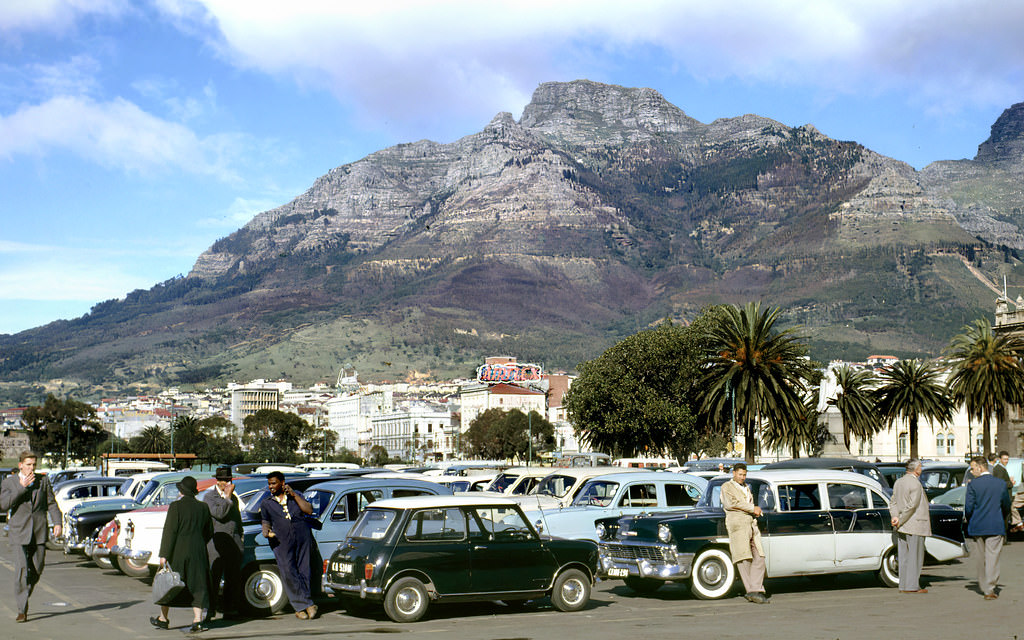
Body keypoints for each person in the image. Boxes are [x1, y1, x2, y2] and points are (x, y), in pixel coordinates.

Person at [0, 451, 62, 623]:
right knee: (21, 569)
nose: (31, 468)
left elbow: (51, 503)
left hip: (39, 531)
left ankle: (24, 593)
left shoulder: (43, 480)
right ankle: (22, 609)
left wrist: (57, 523)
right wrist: (21, 487)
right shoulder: (9, 482)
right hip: (19, 531)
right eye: (28, 464)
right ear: (20, 465)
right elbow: (4, 504)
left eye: (34, 465)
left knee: (37, 568)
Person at [151, 476, 214, 633]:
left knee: (170, 584)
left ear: (181, 491)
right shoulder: (203, 507)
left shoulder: (175, 506)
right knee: (198, 585)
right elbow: (209, 532)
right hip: (198, 551)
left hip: (178, 550)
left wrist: (164, 554)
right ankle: (197, 620)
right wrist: (199, 542)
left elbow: (170, 532)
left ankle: (163, 618)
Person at [260, 471, 317, 619]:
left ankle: (302, 606)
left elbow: (308, 510)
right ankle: (305, 604)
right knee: (288, 571)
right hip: (281, 540)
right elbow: (265, 521)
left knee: (304, 570)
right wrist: (266, 531)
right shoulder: (267, 503)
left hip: (302, 536)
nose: (271, 487)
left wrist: (294, 495)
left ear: (283, 483)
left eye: (274, 483)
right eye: (269, 484)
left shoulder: (295, 495)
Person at [964, 456, 1011, 600]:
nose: (971, 472)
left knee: (980, 558)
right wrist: (1000, 517)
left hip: (978, 525)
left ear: (980, 467)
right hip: (995, 525)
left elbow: (969, 507)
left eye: (972, 468)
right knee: (992, 557)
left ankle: (983, 584)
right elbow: (1006, 505)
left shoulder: (973, 485)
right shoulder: (1000, 484)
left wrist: (970, 519)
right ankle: (989, 588)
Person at [720, 463, 767, 604]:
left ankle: (755, 588)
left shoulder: (747, 487)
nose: (742, 477)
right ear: (734, 473)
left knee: (760, 557)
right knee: (743, 558)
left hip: (751, 525)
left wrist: (754, 511)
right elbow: (731, 504)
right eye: (740, 474)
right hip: (737, 525)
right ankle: (752, 591)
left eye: (744, 475)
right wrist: (753, 508)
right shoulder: (726, 487)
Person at [203, 466, 244, 620]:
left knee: (232, 578)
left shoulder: (233, 497)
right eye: (222, 480)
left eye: (228, 480)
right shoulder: (209, 497)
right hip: (216, 544)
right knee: (213, 578)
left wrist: (240, 537)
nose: (225, 483)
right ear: (217, 481)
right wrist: (226, 497)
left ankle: (230, 608)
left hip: (233, 543)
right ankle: (210, 609)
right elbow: (219, 514)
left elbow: (237, 518)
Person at [890, 458, 931, 593]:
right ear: (916, 469)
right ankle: (912, 585)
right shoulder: (915, 484)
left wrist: (895, 517)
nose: (921, 468)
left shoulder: (899, 482)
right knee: (916, 556)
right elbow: (912, 506)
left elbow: (893, 502)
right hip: (915, 524)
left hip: (901, 526)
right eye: (920, 466)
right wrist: (901, 519)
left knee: (904, 556)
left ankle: (903, 585)